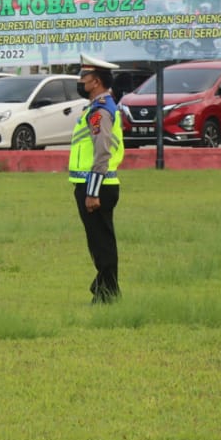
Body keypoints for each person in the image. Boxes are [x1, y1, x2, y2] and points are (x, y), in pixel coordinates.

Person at [69, 53, 126, 304]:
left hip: (97, 187)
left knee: (101, 244)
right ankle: (107, 290)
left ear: (97, 82)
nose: (81, 82)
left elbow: (102, 151)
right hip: (97, 184)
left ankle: (106, 293)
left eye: (85, 77)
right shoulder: (98, 108)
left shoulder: (100, 111)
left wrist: (92, 192)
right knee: (100, 242)